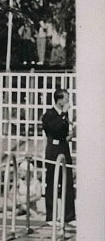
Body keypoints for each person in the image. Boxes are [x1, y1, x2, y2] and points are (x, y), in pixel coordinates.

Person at [41, 88, 76, 225]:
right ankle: (51, 216)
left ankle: (69, 216)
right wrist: (63, 114)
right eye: (66, 98)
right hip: (53, 150)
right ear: (59, 100)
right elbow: (54, 128)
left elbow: (62, 130)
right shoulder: (49, 114)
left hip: (64, 148)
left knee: (67, 181)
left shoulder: (63, 115)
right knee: (52, 182)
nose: (68, 101)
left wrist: (68, 135)